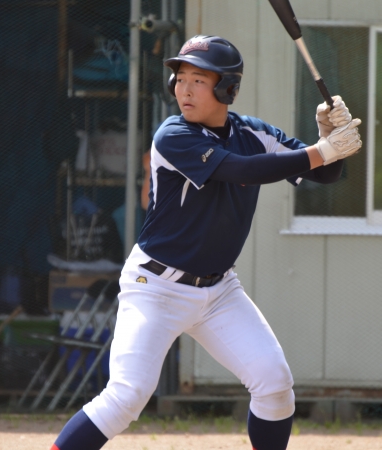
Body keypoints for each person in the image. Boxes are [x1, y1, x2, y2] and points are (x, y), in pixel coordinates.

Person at [51, 35, 361, 450]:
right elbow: (242, 170)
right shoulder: (173, 134)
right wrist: (322, 150)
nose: (184, 89)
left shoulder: (253, 132)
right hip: (155, 288)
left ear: (227, 88)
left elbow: (323, 174)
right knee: (127, 396)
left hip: (219, 291)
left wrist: (328, 139)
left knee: (274, 384)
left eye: (198, 80)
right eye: (180, 78)